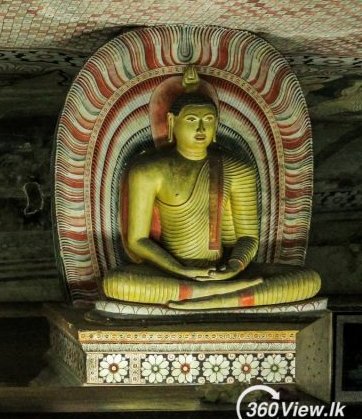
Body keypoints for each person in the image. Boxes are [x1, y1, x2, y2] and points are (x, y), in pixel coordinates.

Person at [103, 66, 320, 309]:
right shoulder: (149, 170)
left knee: (308, 280)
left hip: (225, 273)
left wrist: (234, 266)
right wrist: (179, 269)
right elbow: (137, 240)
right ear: (173, 122)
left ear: (216, 125)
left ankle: (209, 294)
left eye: (208, 121)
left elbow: (247, 237)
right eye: (192, 120)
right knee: (116, 283)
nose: (200, 129)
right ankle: (223, 297)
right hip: (171, 272)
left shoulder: (237, 169)